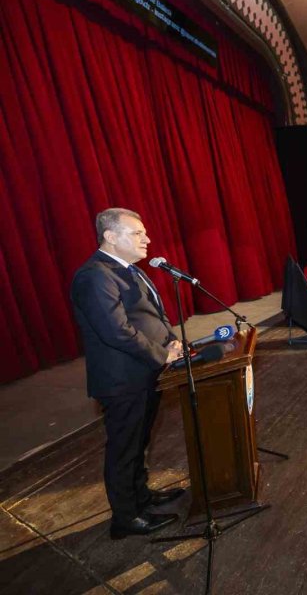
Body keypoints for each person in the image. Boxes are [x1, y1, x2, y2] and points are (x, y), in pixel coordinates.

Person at [70, 208, 185, 539]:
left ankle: (141, 496)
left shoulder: (127, 270)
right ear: (110, 236)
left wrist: (170, 340)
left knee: (139, 442)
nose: (146, 239)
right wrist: (161, 354)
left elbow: (150, 314)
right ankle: (126, 518)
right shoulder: (94, 276)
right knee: (124, 449)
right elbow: (116, 331)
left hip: (145, 372)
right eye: (137, 233)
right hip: (122, 380)